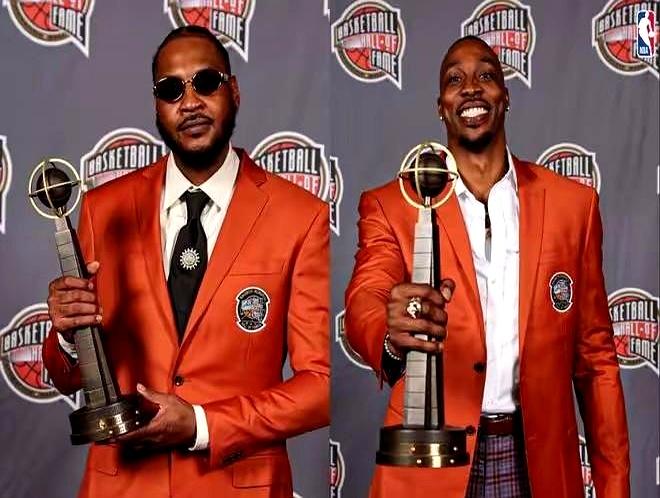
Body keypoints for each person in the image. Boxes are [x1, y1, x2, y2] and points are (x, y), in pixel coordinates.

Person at [43, 26, 329, 498]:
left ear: (234, 91)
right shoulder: (103, 209)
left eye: (206, 82)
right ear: (157, 106)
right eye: (171, 89)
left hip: (239, 486)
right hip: (124, 484)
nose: (190, 102)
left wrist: (201, 424)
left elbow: (319, 387)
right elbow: (67, 376)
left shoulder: (300, 216)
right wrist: (69, 337)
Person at [345, 35, 629, 498]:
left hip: (538, 463)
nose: (471, 87)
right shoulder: (391, 204)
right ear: (440, 107)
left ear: (505, 96)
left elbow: (597, 362)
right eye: (454, 80)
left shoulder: (572, 206)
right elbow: (365, 299)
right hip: (433, 463)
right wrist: (389, 332)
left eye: (486, 75)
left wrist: (615, 487)